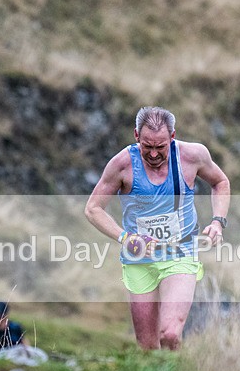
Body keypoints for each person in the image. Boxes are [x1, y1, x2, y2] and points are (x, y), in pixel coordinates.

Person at [85, 106, 230, 350]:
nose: (153, 154)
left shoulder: (192, 156)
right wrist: (126, 238)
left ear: (172, 137)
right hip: (139, 258)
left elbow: (221, 182)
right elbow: (93, 208)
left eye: (160, 147)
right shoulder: (122, 165)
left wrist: (218, 221)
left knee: (170, 334)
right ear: (136, 136)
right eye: (147, 146)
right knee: (148, 348)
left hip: (180, 253)